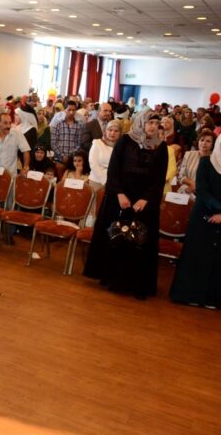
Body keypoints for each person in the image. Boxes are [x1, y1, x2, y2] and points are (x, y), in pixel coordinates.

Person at [83, 110, 168, 299]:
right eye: (150, 122)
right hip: (120, 198)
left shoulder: (161, 147)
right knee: (117, 237)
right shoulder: (125, 141)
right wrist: (120, 193)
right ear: (141, 123)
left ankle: (135, 284)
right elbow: (114, 170)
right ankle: (113, 279)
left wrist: (145, 199)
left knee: (139, 240)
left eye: (156, 123)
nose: (153, 127)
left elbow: (159, 178)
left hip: (144, 202)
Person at [170, 135, 221, 308]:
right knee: (197, 254)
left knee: (216, 258)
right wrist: (218, 209)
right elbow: (202, 190)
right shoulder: (206, 163)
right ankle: (189, 294)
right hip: (202, 215)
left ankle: (211, 298)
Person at [0, 112, 31, 177]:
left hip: (11, 175)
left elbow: (26, 151)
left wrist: (25, 167)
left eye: (10, 123)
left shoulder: (17, 134)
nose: (8, 126)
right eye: (5, 123)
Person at [51, 100, 84, 178]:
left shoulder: (79, 125)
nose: (71, 112)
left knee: (73, 178)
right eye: (69, 110)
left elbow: (79, 144)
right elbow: (53, 143)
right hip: (59, 158)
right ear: (64, 110)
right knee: (59, 172)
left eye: (73, 110)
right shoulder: (57, 124)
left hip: (73, 159)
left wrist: (70, 156)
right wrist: (62, 156)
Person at [88, 120, 123, 191]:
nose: (112, 133)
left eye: (116, 131)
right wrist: (105, 181)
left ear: (120, 133)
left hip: (116, 183)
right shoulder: (97, 143)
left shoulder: (122, 146)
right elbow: (93, 164)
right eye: (110, 130)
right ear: (105, 131)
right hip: (97, 181)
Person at [178, 129, 215, 195]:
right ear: (198, 141)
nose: (204, 143)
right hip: (187, 191)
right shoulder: (189, 154)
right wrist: (191, 183)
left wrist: (198, 186)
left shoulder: (216, 160)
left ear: (212, 145)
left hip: (206, 194)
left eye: (208, 141)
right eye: (202, 140)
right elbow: (181, 175)